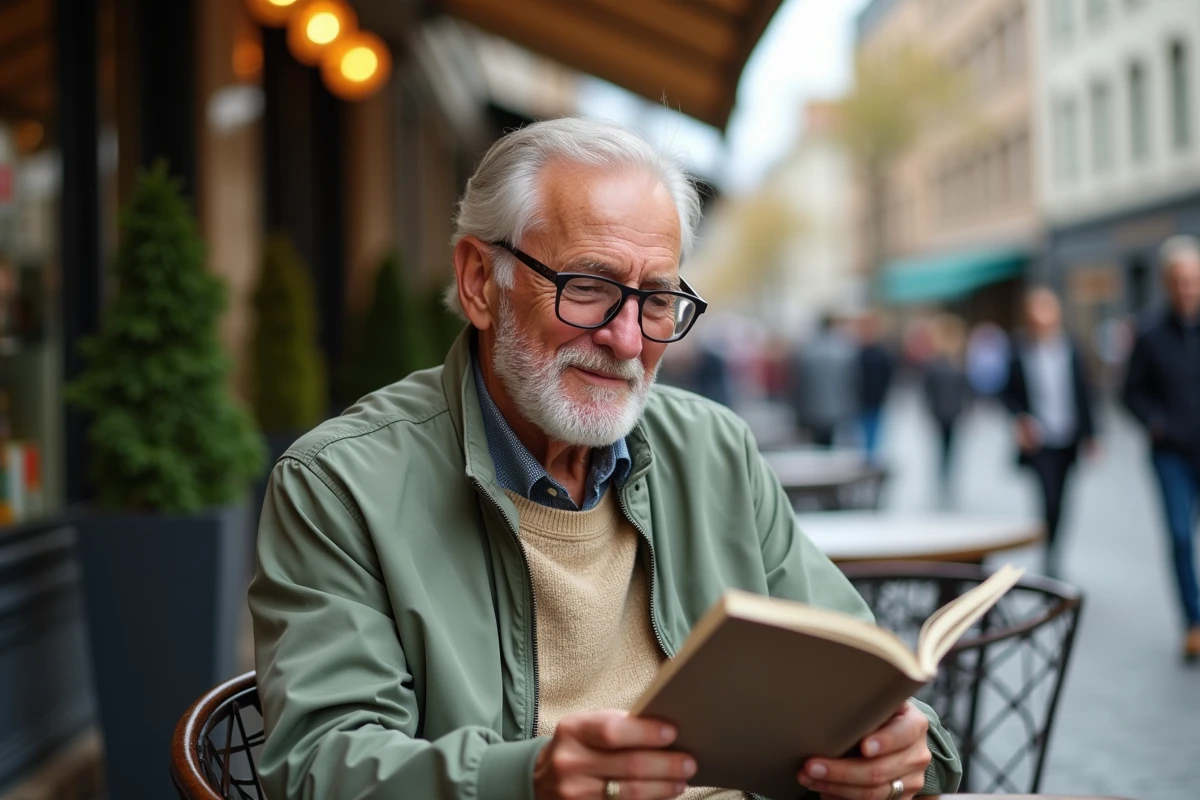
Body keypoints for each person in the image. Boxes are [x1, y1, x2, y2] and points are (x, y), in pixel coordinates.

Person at [248, 118, 961, 800]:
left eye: (656, 299)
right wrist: (525, 782)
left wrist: (901, 750)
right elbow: (320, 766)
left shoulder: (716, 450)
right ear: (478, 282)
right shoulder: (340, 484)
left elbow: (866, 682)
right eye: (587, 286)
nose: (626, 339)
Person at [1123, 235, 1200, 660]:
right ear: (1167, 283)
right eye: (1179, 280)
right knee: (1179, 535)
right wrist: (1155, 423)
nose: (1187, 287)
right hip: (1171, 453)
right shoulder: (1150, 335)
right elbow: (1130, 393)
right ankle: (1193, 621)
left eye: (1193, 279)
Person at [1001, 288, 1097, 579]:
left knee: (1064, 500)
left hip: (1067, 437)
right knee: (1048, 497)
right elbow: (1007, 393)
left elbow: (1085, 393)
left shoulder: (1071, 348)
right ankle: (1049, 554)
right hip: (1039, 440)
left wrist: (1092, 434)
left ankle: (1054, 549)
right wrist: (1020, 420)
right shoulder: (1020, 350)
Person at [790, 313, 860, 447]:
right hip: (838, 406)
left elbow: (799, 383)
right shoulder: (844, 350)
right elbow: (852, 381)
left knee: (818, 443)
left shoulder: (807, 349)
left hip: (812, 406)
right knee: (832, 442)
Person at [922, 314, 970, 507]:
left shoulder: (951, 363)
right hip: (944, 412)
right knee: (945, 448)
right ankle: (944, 479)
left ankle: (946, 478)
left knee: (948, 448)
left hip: (948, 412)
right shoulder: (945, 364)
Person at [857, 310, 896, 463]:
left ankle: (869, 461)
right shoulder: (859, 351)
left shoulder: (878, 353)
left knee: (871, 434)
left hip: (874, 399)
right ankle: (867, 459)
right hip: (864, 399)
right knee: (865, 434)